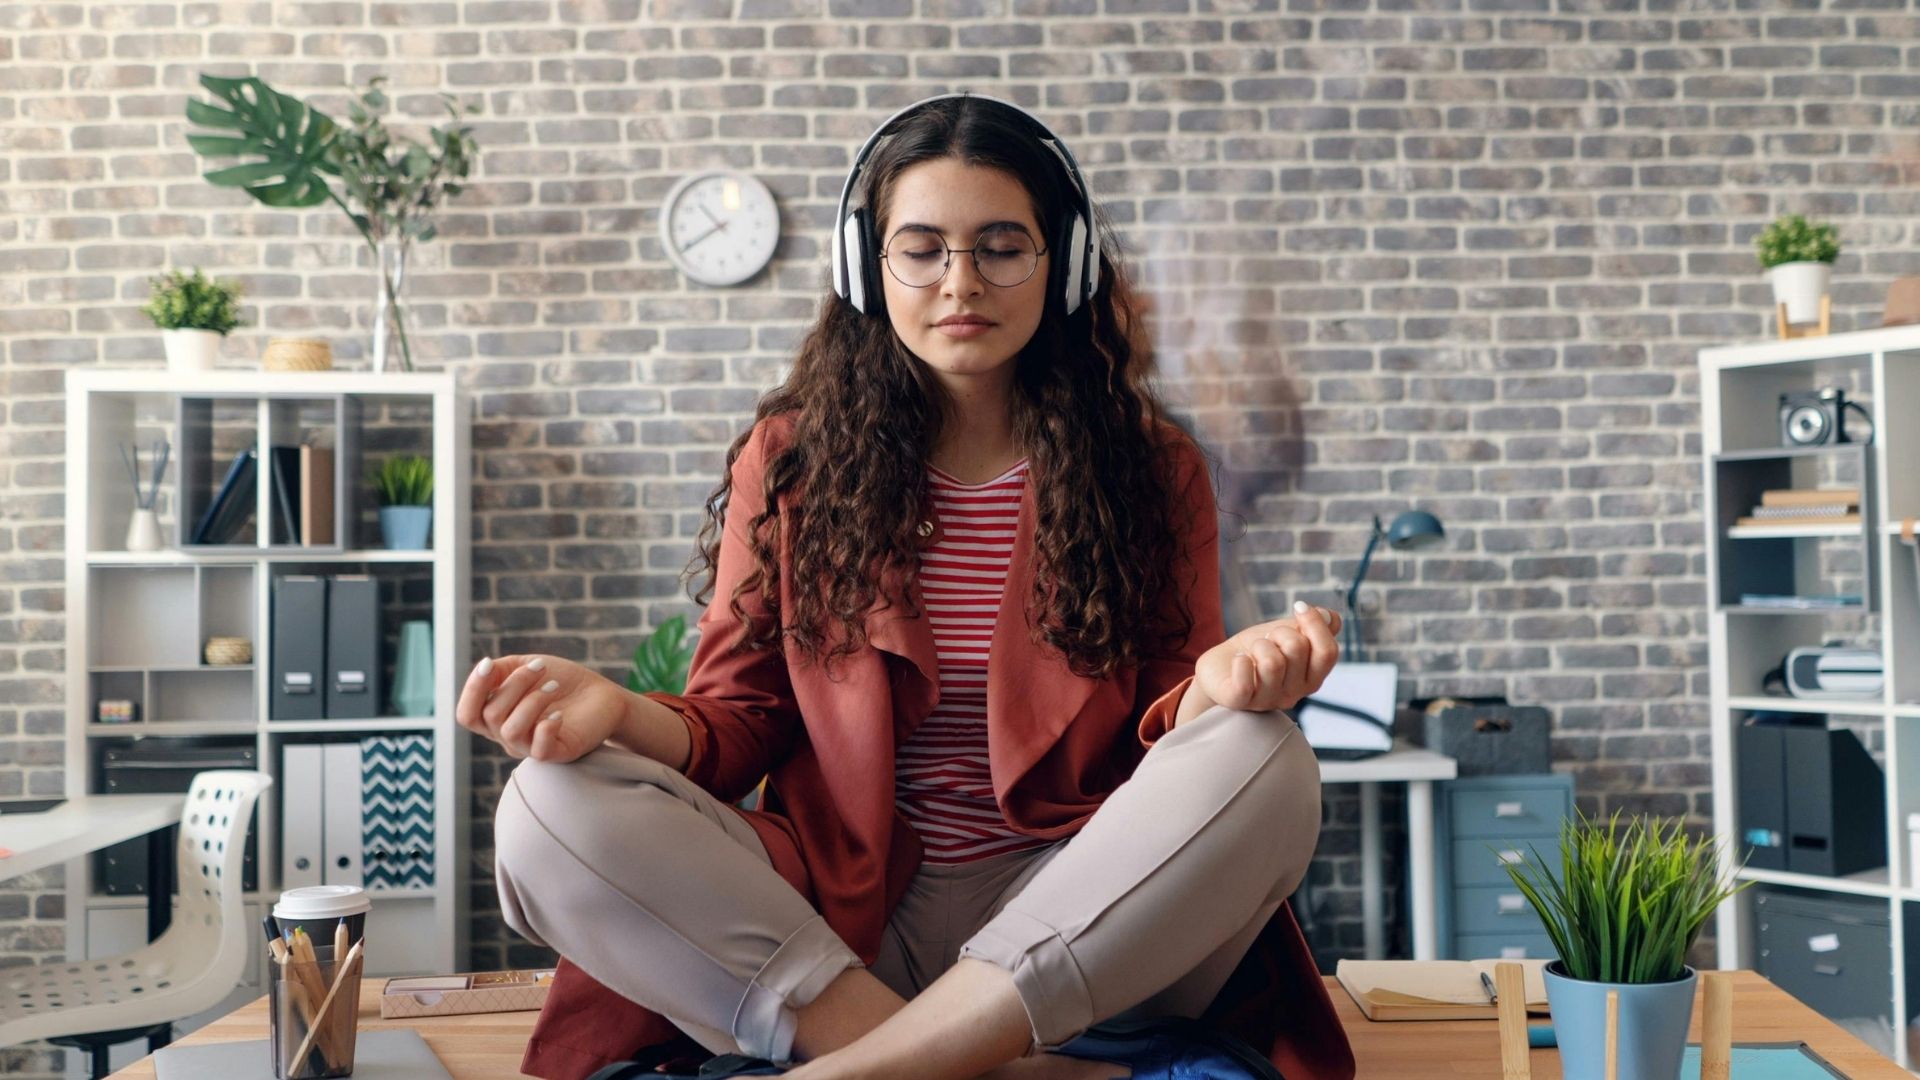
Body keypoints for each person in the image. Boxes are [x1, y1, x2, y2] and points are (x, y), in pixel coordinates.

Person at [469, 93, 1355, 1080]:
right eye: (923, 247)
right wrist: (617, 713)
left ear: (1060, 265)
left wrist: (1221, 687)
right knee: (548, 808)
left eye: (1002, 246)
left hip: (1083, 917)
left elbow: (1165, 720)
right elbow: (738, 723)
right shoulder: (794, 459)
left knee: (1262, 756)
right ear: (868, 266)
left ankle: (868, 1070)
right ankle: (971, 1064)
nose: (960, 281)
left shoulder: (1152, 467)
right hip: (841, 931)